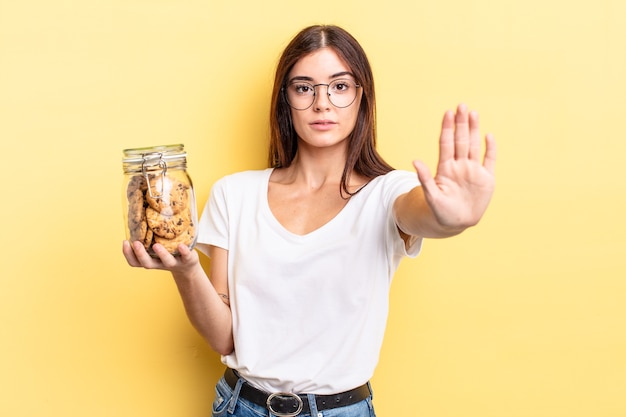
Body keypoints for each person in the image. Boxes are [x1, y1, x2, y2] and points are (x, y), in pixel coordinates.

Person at [123, 24, 496, 417]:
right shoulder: (234, 194)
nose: (322, 103)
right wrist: (185, 270)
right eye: (304, 87)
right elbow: (224, 337)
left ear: (361, 97)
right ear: (285, 99)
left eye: (339, 86)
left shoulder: (386, 193)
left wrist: (453, 218)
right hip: (240, 406)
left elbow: (422, 214)